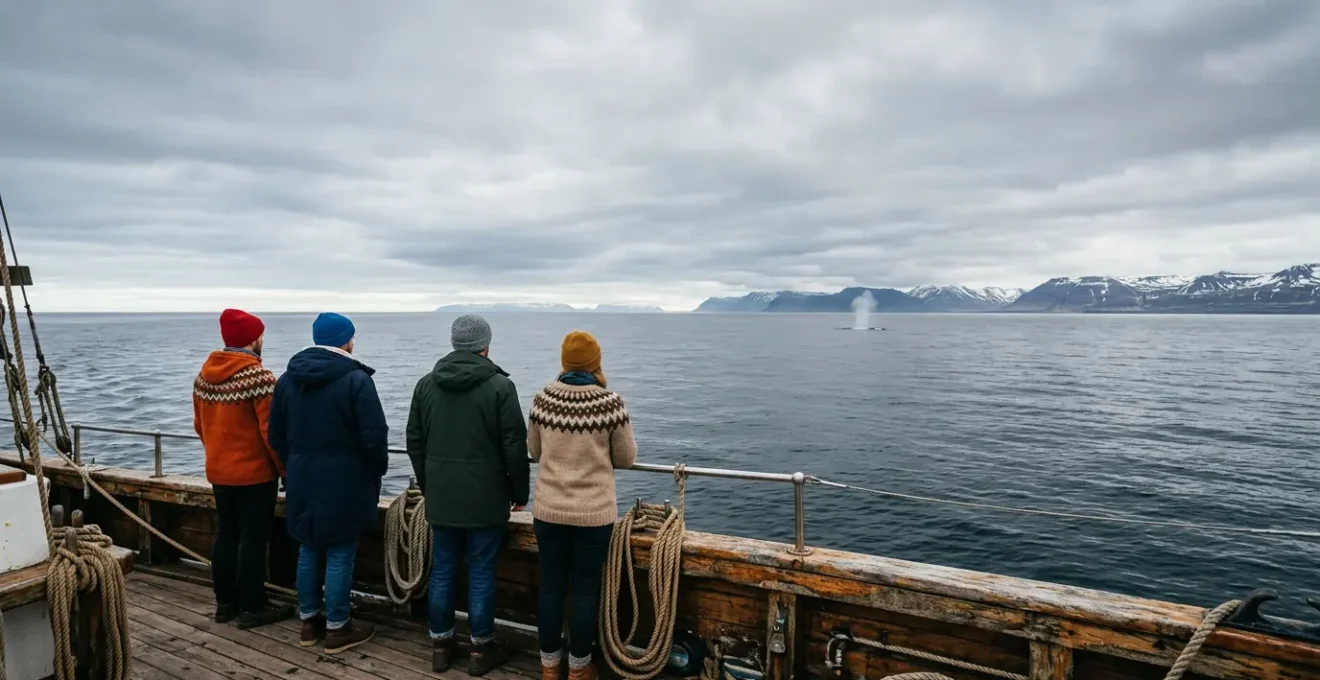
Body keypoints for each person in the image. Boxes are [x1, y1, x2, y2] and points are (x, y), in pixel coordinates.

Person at [406, 314, 529, 676]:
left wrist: (429, 483)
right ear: (485, 345)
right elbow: (513, 446)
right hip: (486, 500)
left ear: (454, 344)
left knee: (442, 570)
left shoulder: (426, 385)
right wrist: (518, 492)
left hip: (442, 497)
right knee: (481, 573)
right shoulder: (500, 388)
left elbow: (414, 440)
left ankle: (442, 646)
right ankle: (481, 649)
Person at [268, 312, 388, 655]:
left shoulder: (288, 380)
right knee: (339, 552)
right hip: (345, 481)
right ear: (346, 340)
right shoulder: (356, 380)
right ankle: (337, 626)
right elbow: (374, 436)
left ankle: (309, 622)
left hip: (303, 478)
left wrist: (295, 466)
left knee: (308, 547)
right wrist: (374, 471)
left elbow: (275, 433)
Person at [527, 331, 637, 680]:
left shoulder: (542, 399)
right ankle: (578, 670)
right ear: (595, 362)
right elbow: (626, 458)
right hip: (593, 514)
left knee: (551, 587)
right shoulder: (610, 403)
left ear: (564, 361)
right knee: (586, 589)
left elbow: (534, 452)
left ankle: (548, 667)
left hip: (549, 510)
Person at [192, 309, 294, 629]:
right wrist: (286, 471)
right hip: (254, 475)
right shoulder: (260, 379)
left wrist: (218, 456)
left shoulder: (203, 377)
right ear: (253, 339)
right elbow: (272, 433)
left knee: (226, 534)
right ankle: (253, 606)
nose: (262, 340)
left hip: (219, 471)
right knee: (253, 538)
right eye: (260, 335)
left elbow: (200, 426)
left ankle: (225, 604)